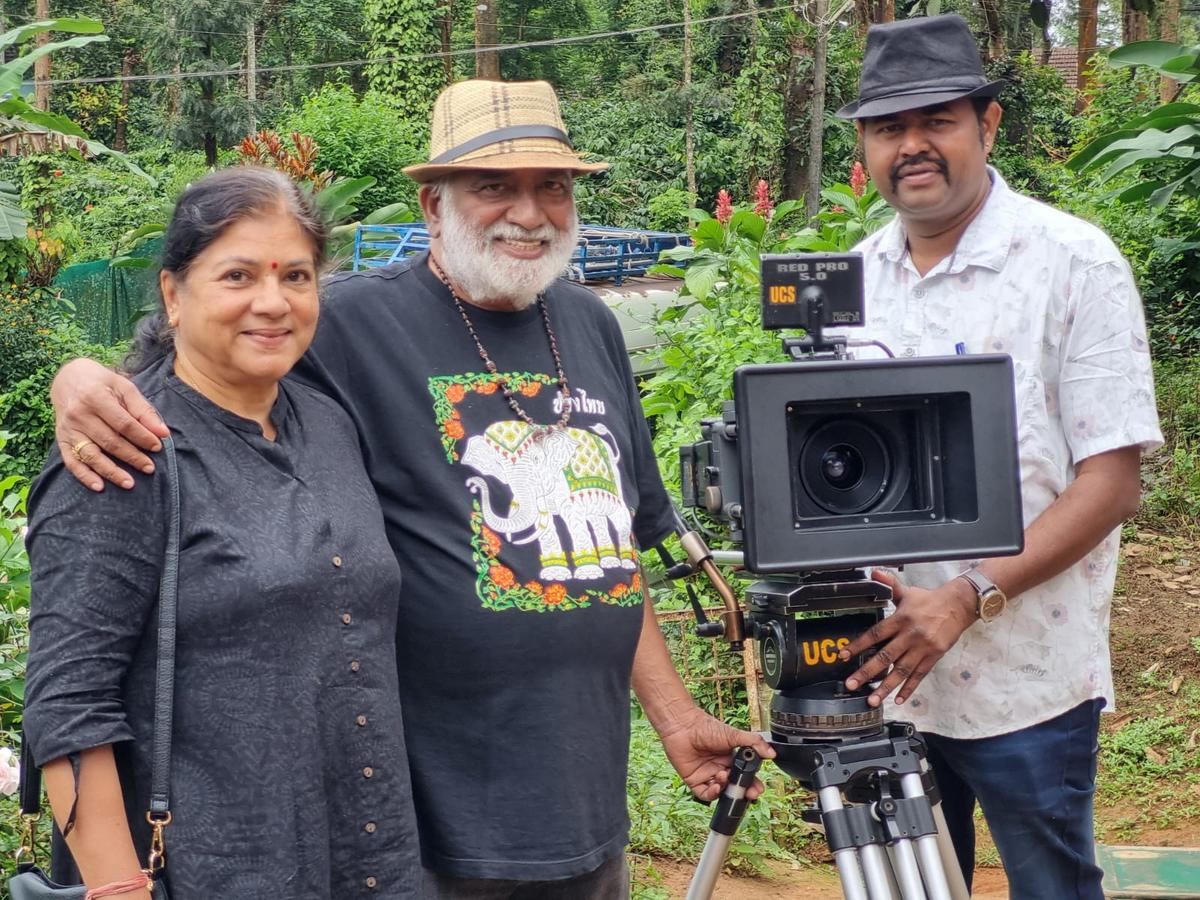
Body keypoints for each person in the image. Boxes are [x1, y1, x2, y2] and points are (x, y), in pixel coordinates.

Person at [49, 79, 773, 898]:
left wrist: (675, 718)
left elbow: (609, 544)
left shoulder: (591, 324)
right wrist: (75, 380)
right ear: (432, 203)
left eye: (553, 186)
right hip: (424, 824)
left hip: (584, 805)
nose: (529, 213)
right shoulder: (348, 321)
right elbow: (201, 375)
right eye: (494, 186)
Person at [832, 15, 1163, 899]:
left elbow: (1112, 482)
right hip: (884, 677)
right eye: (888, 127)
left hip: (1028, 686)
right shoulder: (847, 283)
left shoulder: (1073, 264)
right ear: (863, 145)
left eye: (936, 120)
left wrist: (967, 596)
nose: (913, 146)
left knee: (1052, 888)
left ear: (987, 125)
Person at [23, 167, 422, 899]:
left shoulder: (328, 423)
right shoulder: (126, 448)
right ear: (174, 295)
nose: (272, 303)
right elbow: (68, 706)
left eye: (296, 276)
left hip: (368, 862)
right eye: (237, 275)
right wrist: (117, 892)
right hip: (211, 871)